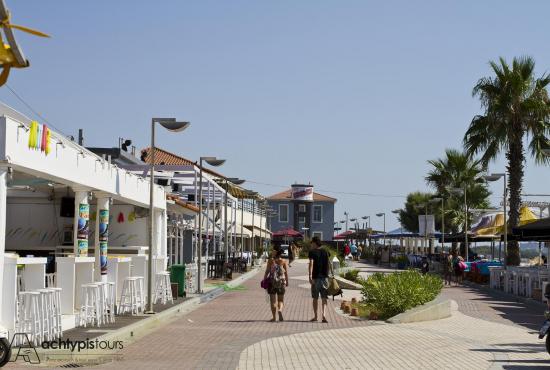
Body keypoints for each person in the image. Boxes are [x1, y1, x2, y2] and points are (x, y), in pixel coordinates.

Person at [308, 236, 330, 323]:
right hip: (325, 278)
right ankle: (324, 315)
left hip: (315, 278)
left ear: (314, 243)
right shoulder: (326, 251)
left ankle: (316, 316)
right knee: (324, 298)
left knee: (315, 298)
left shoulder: (312, 252)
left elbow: (311, 263)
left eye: (312, 243)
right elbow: (328, 263)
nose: (311, 245)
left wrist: (310, 275)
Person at [264, 248, 289, 322]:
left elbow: (267, 271)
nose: (272, 252)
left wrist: (265, 279)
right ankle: (280, 310)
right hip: (281, 282)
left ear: (276, 252)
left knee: (273, 301)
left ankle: (274, 317)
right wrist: (287, 282)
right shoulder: (283, 261)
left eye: (273, 251)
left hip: (272, 282)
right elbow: (286, 273)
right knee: (281, 300)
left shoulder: (271, 260)